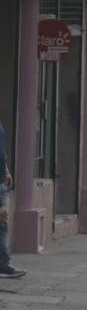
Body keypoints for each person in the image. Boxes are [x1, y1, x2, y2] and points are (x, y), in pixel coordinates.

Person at [0, 119, 25, 278]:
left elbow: (1, 152)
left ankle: (3, 264)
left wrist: (6, 170)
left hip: (1, 181)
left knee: (2, 225)